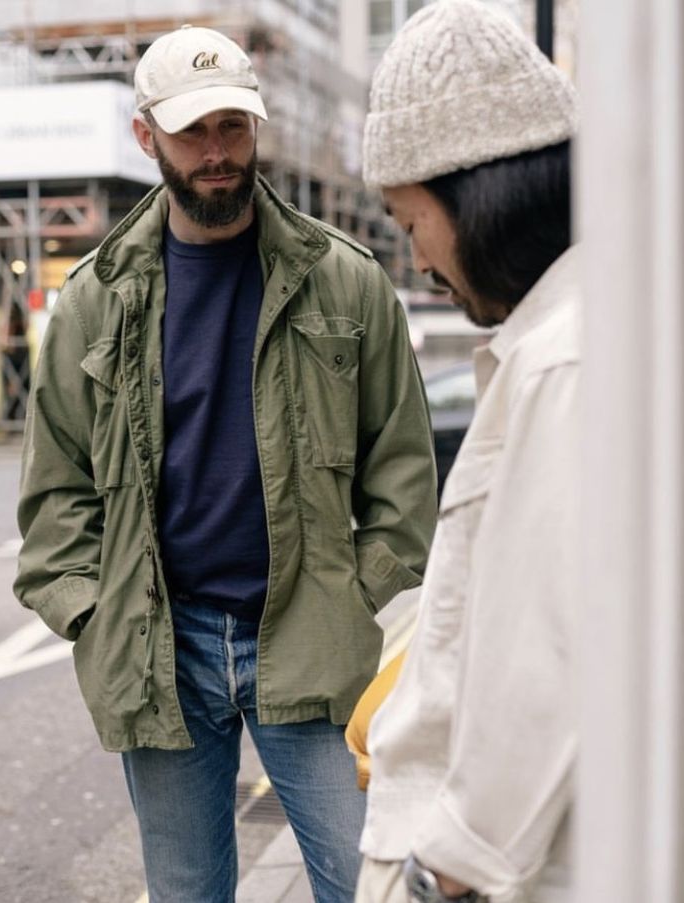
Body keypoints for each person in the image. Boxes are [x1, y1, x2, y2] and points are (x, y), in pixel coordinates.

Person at [13, 23, 437, 903]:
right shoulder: (95, 301)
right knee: (186, 892)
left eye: (232, 127)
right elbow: (54, 496)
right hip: (159, 646)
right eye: (193, 131)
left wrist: (350, 589)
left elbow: (402, 471)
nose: (217, 153)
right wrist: (96, 613)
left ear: (256, 126)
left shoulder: (345, 280)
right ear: (146, 137)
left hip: (309, 640)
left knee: (373, 882)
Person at [353, 2, 580, 902]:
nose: (415, 261)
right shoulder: (566, 336)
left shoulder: (565, 358)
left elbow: (546, 666)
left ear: (476, 200)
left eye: (409, 223)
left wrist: (435, 875)